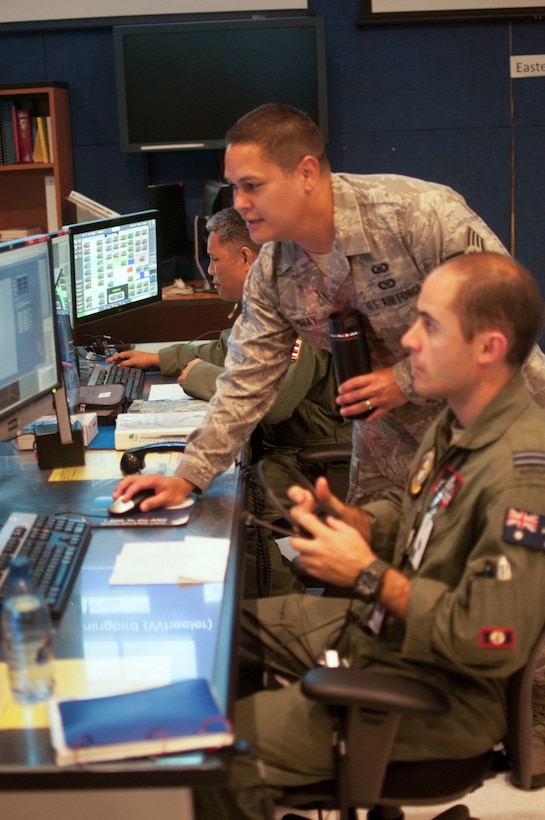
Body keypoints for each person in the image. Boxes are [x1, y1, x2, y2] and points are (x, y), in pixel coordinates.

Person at [192, 251, 545, 819]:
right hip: (389, 637)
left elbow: (489, 635)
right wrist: (356, 523)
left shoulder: (521, 474)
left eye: (429, 326)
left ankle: (256, 763)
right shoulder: (458, 423)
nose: (408, 342)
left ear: (489, 347)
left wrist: (367, 574)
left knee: (208, 754)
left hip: (444, 697)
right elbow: (415, 522)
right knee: (213, 627)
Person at [112, 103, 545, 516]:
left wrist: (403, 380)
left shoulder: (417, 215)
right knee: (374, 565)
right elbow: (246, 381)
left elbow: (501, 316)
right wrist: (189, 477)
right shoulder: (272, 273)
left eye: (253, 185)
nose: (239, 203)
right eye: (234, 186)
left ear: (306, 173)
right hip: (390, 440)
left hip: (495, 424)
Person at [110, 207, 352, 596]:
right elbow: (228, 349)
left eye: (214, 258)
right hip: (288, 444)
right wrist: (161, 358)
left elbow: (273, 403)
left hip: (312, 452)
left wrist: (202, 377)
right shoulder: (265, 299)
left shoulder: (297, 305)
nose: (208, 270)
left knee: (231, 510)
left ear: (245, 258)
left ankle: (283, 616)